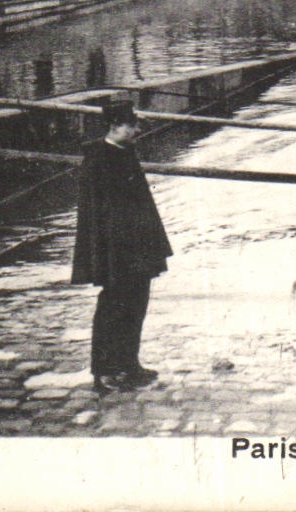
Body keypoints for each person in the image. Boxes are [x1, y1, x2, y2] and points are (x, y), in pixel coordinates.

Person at [71, 96, 172, 393]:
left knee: (136, 304)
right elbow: (97, 215)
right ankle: (104, 371)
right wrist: (115, 251)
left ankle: (129, 364)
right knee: (113, 307)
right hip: (116, 252)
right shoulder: (98, 160)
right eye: (131, 125)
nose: (136, 130)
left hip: (137, 249)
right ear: (115, 126)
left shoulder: (126, 153)